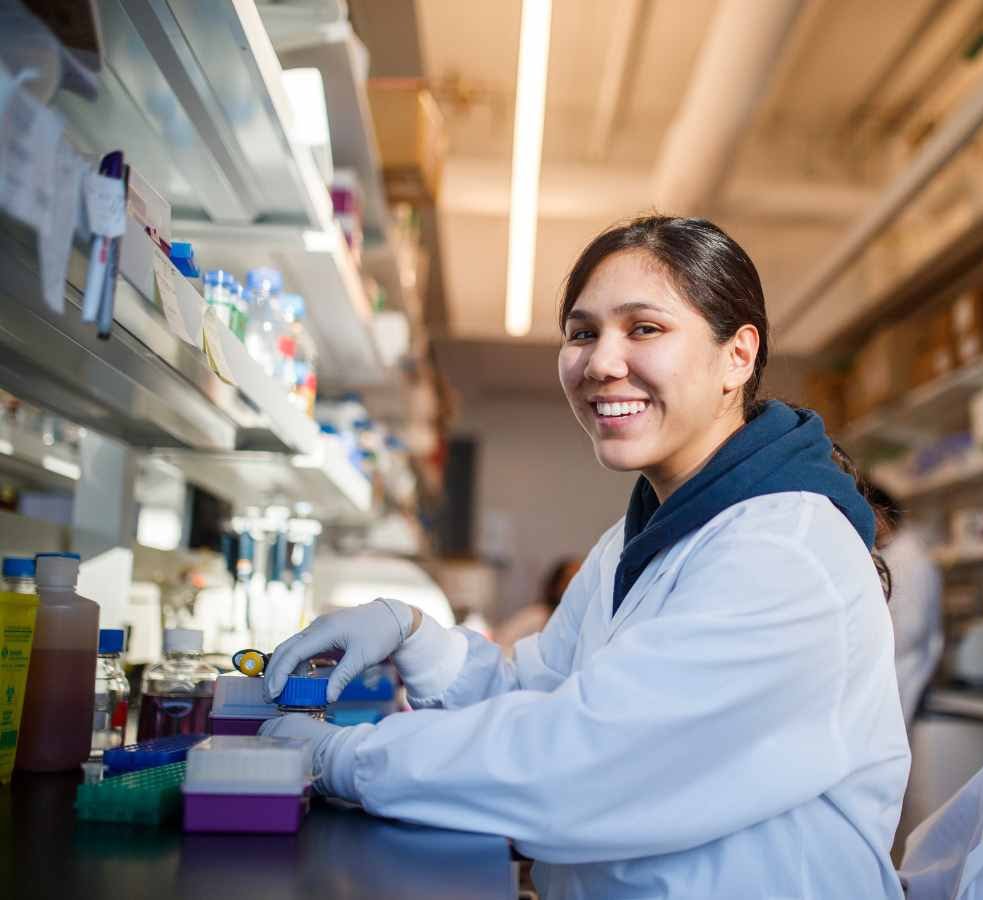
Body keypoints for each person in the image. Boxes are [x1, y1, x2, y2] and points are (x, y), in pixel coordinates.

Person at [262, 216, 911, 899]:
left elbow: (576, 765)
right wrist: (414, 637)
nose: (601, 362)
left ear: (738, 357)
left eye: (645, 328)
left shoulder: (783, 550)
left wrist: (339, 758)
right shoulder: (643, 535)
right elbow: (542, 694)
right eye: (582, 332)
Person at [868, 480, 943, 730]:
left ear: (879, 514)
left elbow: (910, 631)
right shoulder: (891, 554)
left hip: (906, 671)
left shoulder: (909, 559)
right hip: (894, 672)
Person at [494, 557, 583, 655]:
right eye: (570, 580)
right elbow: (499, 646)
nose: (576, 587)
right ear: (556, 585)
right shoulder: (536, 617)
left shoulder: (586, 626)